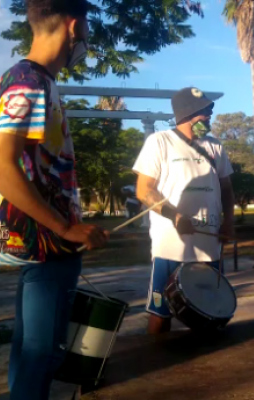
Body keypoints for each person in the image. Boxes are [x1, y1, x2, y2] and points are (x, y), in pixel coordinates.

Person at [0, 1, 110, 398]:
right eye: (86, 32)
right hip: (46, 242)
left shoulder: (30, 79)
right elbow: (3, 168)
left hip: (43, 241)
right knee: (42, 354)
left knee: (32, 352)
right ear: (75, 26)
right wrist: (66, 227)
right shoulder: (28, 82)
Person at [133, 87, 235, 335]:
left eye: (210, 110)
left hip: (209, 249)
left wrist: (229, 222)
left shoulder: (215, 147)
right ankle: (157, 364)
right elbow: (144, 190)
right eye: (205, 112)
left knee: (208, 313)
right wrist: (174, 216)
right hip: (171, 247)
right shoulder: (159, 142)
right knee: (161, 312)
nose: (210, 116)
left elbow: (227, 190)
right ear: (187, 113)